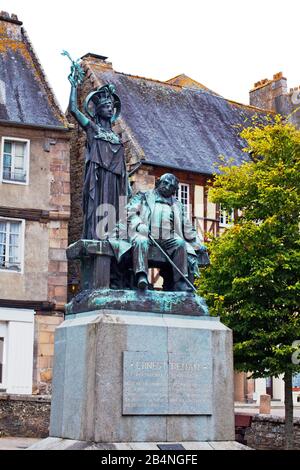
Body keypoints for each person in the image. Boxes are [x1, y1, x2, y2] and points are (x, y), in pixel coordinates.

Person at [110, 173, 208, 291]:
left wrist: (198, 243)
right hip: (146, 234)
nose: (167, 187)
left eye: (171, 186)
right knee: (141, 241)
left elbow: (187, 226)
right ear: (158, 182)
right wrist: (139, 225)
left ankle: (180, 282)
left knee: (180, 244)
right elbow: (128, 212)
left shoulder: (177, 205)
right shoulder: (143, 196)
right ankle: (141, 276)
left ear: (174, 191)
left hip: (168, 237)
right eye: (165, 183)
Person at [68, 68, 129, 240]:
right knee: (98, 214)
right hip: (99, 180)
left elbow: (123, 167)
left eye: (111, 106)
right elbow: (73, 109)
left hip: (117, 184)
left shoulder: (117, 137)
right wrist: (74, 86)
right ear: (98, 110)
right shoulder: (93, 129)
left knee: (116, 216)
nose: (110, 109)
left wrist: (129, 189)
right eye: (106, 106)